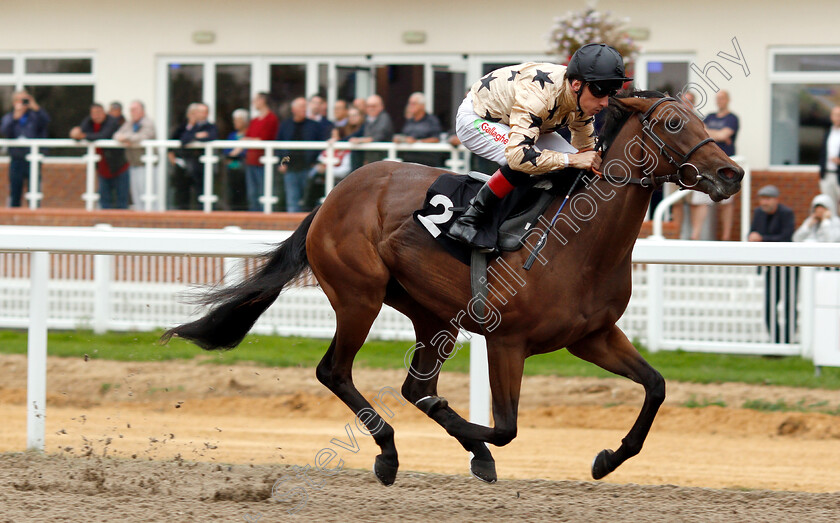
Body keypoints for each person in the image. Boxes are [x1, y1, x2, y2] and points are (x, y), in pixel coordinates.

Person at [446, 43, 626, 249]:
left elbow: (586, 153)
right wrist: (572, 159)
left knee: (576, 168)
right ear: (576, 84)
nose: (604, 102)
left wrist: (587, 159)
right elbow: (518, 156)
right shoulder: (539, 97)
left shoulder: (583, 99)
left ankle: (537, 216)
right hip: (478, 117)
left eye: (610, 92)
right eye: (600, 91)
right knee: (525, 161)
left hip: (522, 122)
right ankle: (469, 219)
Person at [688, 90, 740, 241]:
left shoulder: (732, 118)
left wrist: (713, 134)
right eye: (718, 98)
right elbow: (701, 132)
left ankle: (726, 238)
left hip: (726, 165)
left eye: (722, 98)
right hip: (707, 164)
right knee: (700, 200)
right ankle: (695, 236)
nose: (720, 101)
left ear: (728, 100)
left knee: (726, 202)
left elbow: (723, 135)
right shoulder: (710, 116)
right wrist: (717, 135)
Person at [748, 185, 797, 343]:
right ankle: (775, 340)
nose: (764, 202)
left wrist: (761, 238)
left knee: (789, 304)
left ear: (776, 199)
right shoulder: (758, 213)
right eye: (762, 198)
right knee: (769, 305)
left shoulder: (786, 213)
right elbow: (752, 232)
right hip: (770, 267)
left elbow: (786, 236)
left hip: (788, 268)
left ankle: (788, 339)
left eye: (768, 198)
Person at [70, 103, 130, 209]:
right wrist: (74, 133)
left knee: (121, 200)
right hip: (102, 169)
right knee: (104, 199)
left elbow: (104, 135)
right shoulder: (89, 121)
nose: (96, 116)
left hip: (118, 167)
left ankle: (120, 223)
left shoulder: (112, 121)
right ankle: (105, 222)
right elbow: (78, 133)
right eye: (94, 113)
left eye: (99, 112)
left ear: (104, 112)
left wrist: (83, 135)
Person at [0, 90, 50, 207]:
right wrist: (15, 118)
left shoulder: (35, 116)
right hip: (17, 158)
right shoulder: (9, 117)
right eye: (19, 100)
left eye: (25, 99)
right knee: (15, 189)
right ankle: (14, 216)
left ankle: (35, 216)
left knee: (34, 189)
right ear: (14, 102)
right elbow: (4, 131)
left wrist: (36, 107)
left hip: (33, 158)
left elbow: (46, 122)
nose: (22, 103)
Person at [276, 97, 323, 212]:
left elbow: (320, 146)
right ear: (293, 109)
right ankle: (293, 227)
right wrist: (281, 163)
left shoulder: (314, 125)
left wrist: (316, 162)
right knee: (292, 200)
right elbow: (278, 145)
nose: (304, 109)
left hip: (308, 168)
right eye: (302, 106)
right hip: (291, 168)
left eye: (305, 106)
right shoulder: (285, 125)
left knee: (308, 200)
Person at [168, 102, 218, 210]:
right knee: (183, 191)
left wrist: (195, 137)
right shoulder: (187, 126)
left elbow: (211, 137)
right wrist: (196, 135)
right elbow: (183, 140)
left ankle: (202, 214)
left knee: (201, 191)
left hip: (200, 165)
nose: (199, 115)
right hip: (185, 164)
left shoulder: (210, 126)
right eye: (197, 112)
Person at [237, 92, 278, 212]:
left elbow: (264, 139)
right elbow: (248, 137)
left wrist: (248, 140)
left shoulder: (271, 118)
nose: (253, 103)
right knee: (252, 193)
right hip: (251, 161)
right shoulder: (254, 120)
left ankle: (266, 214)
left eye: (255, 100)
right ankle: (254, 215)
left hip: (264, 162)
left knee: (264, 191)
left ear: (262, 100)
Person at [114, 101, 157, 210]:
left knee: (148, 193)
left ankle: (151, 219)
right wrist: (124, 138)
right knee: (136, 194)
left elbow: (144, 136)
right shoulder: (130, 123)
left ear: (142, 110)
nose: (132, 113)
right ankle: (140, 218)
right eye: (131, 110)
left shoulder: (148, 122)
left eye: (134, 110)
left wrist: (128, 139)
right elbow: (117, 135)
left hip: (147, 165)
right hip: (134, 163)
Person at [394, 92, 443, 166]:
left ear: (422, 105)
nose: (410, 106)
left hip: (427, 161)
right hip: (409, 161)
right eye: (410, 103)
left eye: (413, 103)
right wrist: (401, 139)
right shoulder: (409, 121)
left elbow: (436, 139)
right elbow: (405, 136)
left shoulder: (432, 120)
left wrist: (417, 141)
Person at [349, 94, 394, 165]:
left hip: (382, 161)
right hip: (370, 160)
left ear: (381, 107)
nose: (370, 108)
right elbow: (358, 134)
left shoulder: (384, 118)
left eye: (373, 106)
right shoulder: (367, 119)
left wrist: (361, 140)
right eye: (368, 106)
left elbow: (379, 136)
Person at [221, 108, 249, 210]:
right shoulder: (232, 136)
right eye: (234, 120)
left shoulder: (248, 135)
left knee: (244, 193)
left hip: (244, 170)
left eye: (238, 120)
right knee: (231, 193)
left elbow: (247, 153)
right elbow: (226, 153)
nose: (235, 123)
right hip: (231, 170)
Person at [818, 105, 840, 208]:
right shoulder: (827, 133)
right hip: (826, 174)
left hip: (838, 173)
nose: (837, 118)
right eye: (835, 115)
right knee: (829, 205)